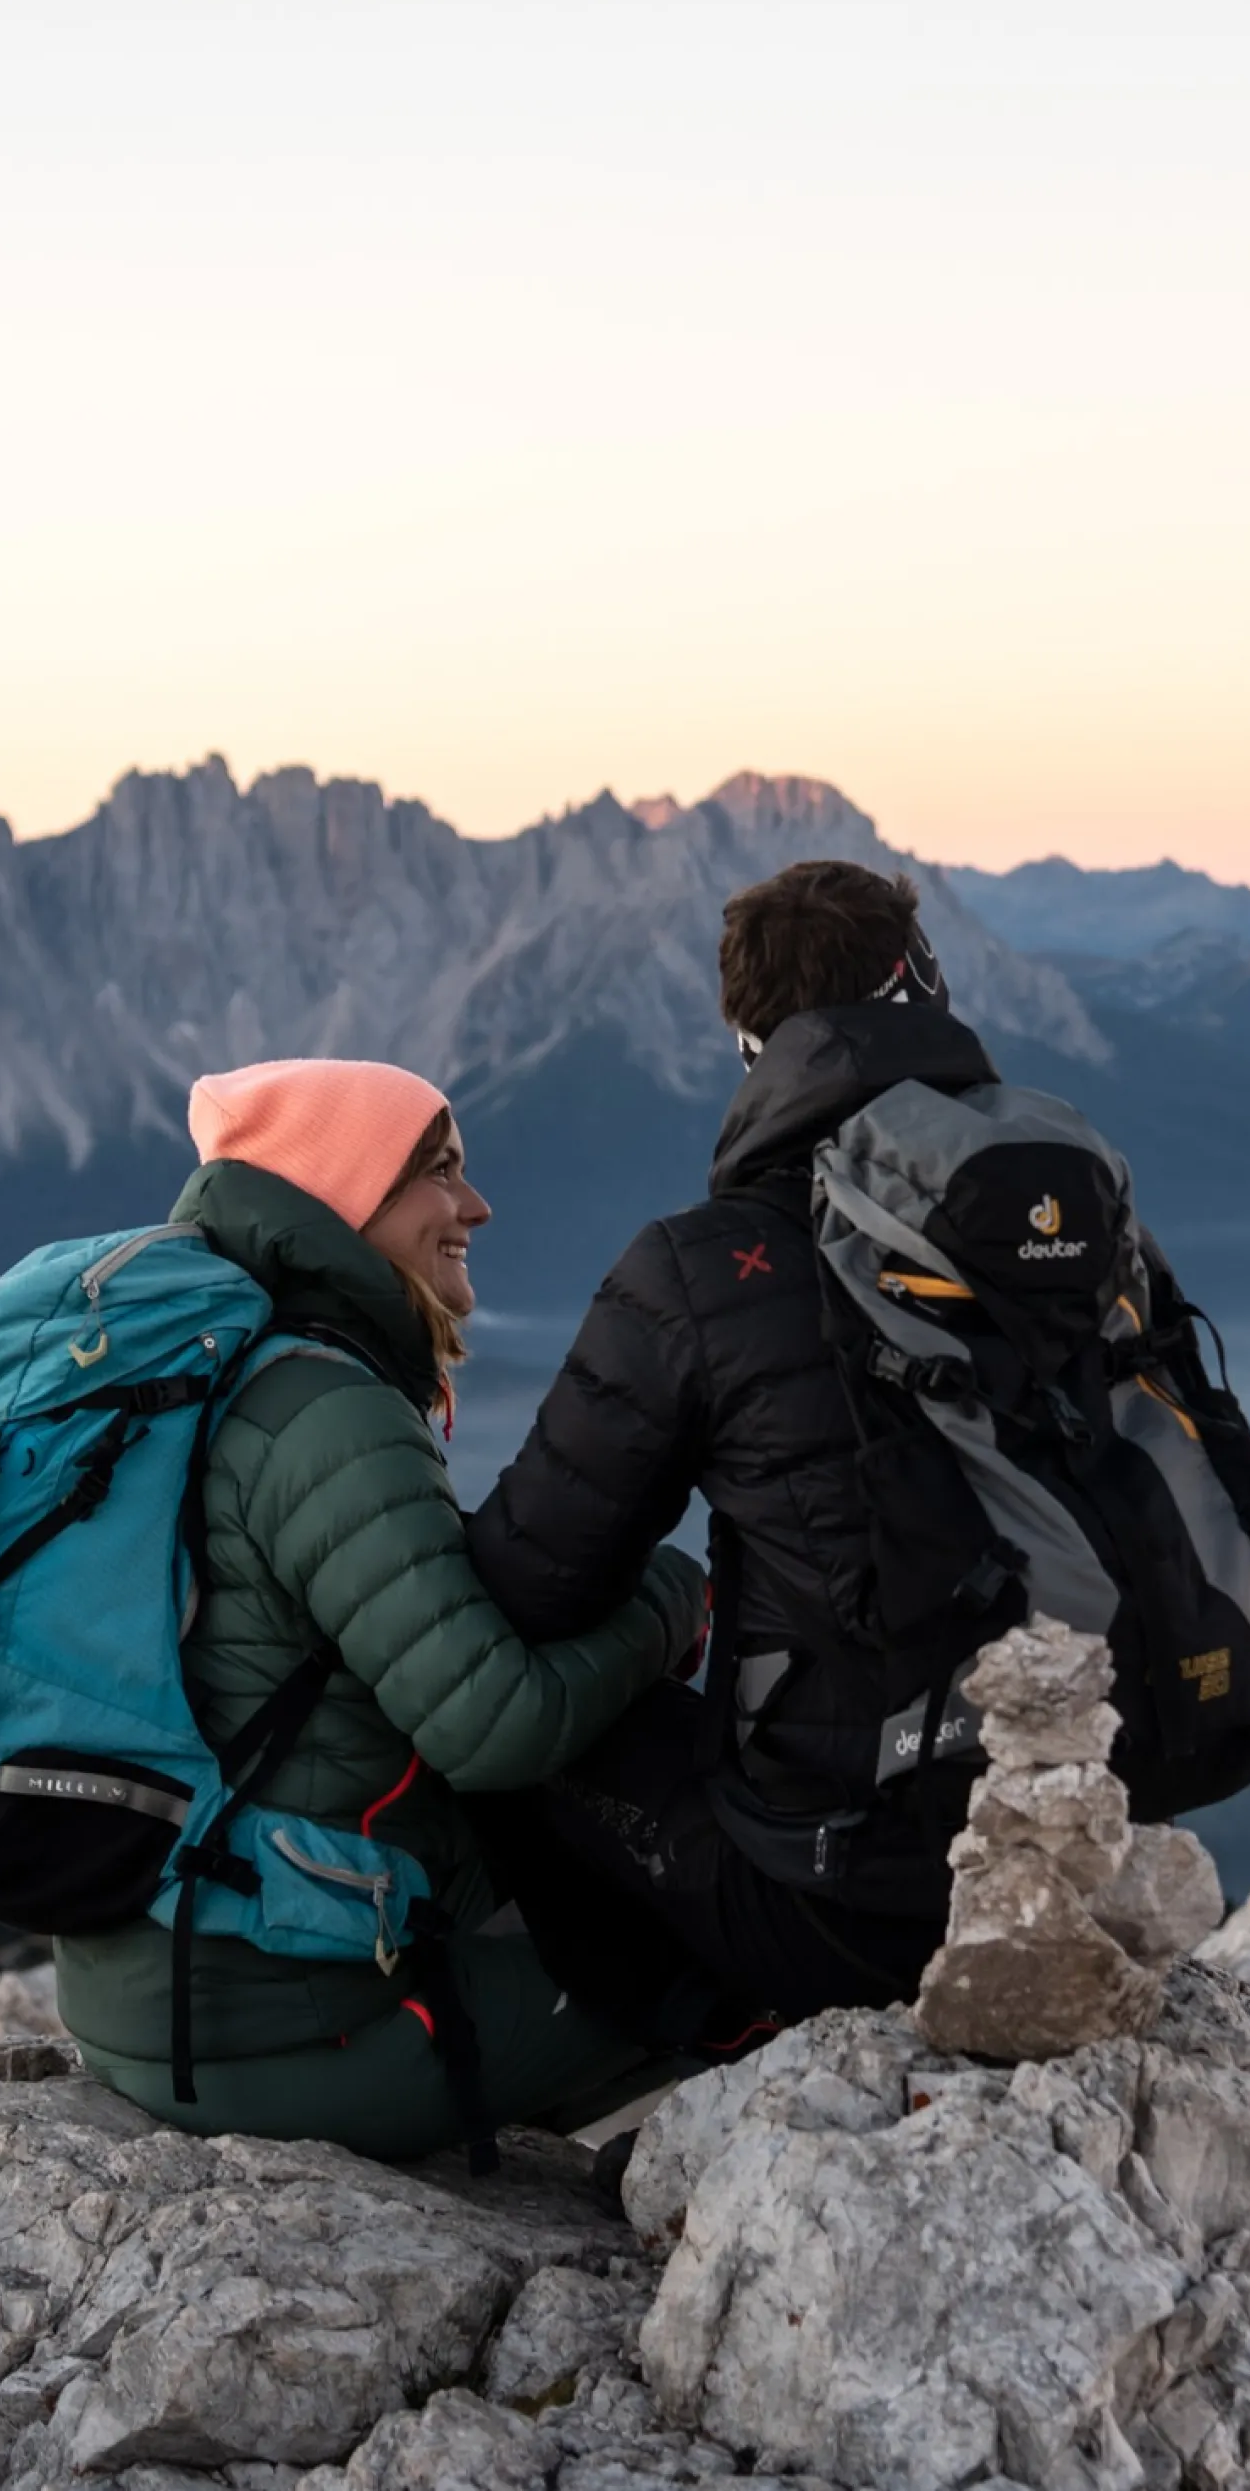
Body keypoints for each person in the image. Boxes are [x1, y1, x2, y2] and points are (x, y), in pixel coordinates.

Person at [53, 1056, 710, 2156]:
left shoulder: (224, 1373)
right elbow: (488, 1726)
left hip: (161, 2004)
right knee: (728, 1950)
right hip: (288, 2039)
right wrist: (671, 1603)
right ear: (346, 1193)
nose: (476, 1206)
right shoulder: (322, 1411)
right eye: (438, 1173)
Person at [465, 861, 1004, 2023]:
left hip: (849, 1909)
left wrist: (670, 1606)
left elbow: (526, 1586)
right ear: (925, 986)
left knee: (492, 1727)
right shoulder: (1067, 1218)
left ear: (747, 1040)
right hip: (1066, 1854)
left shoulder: (704, 1268)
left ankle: (700, 2059)